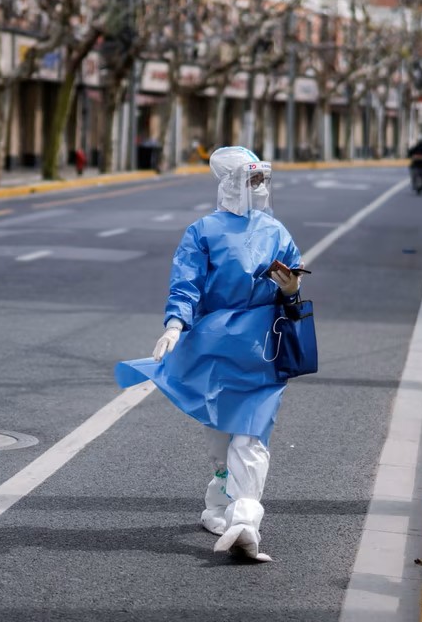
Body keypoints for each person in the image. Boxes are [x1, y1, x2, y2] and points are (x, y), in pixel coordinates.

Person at [116, 146, 304, 561]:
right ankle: (219, 502)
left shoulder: (276, 231)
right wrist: (174, 325)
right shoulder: (202, 231)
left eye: (262, 179)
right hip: (214, 344)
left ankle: (244, 518)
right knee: (220, 428)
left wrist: (290, 290)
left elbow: (294, 284)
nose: (260, 186)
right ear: (233, 183)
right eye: (252, 179)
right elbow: (186, 285)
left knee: (252, 433)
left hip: (263, 350)